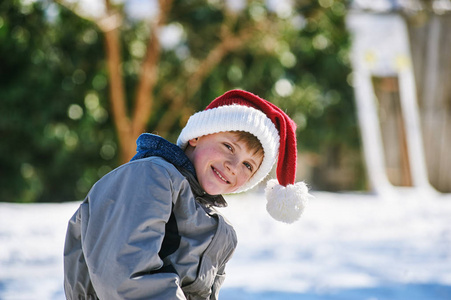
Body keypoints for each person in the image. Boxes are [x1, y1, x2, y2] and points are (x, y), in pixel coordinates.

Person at [63, 89, 312, 299]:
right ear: (196, 137)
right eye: (228, 146)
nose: (233, 166)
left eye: (248, 165)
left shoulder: (218, 230)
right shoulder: (150, 177)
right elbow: (124, 277)